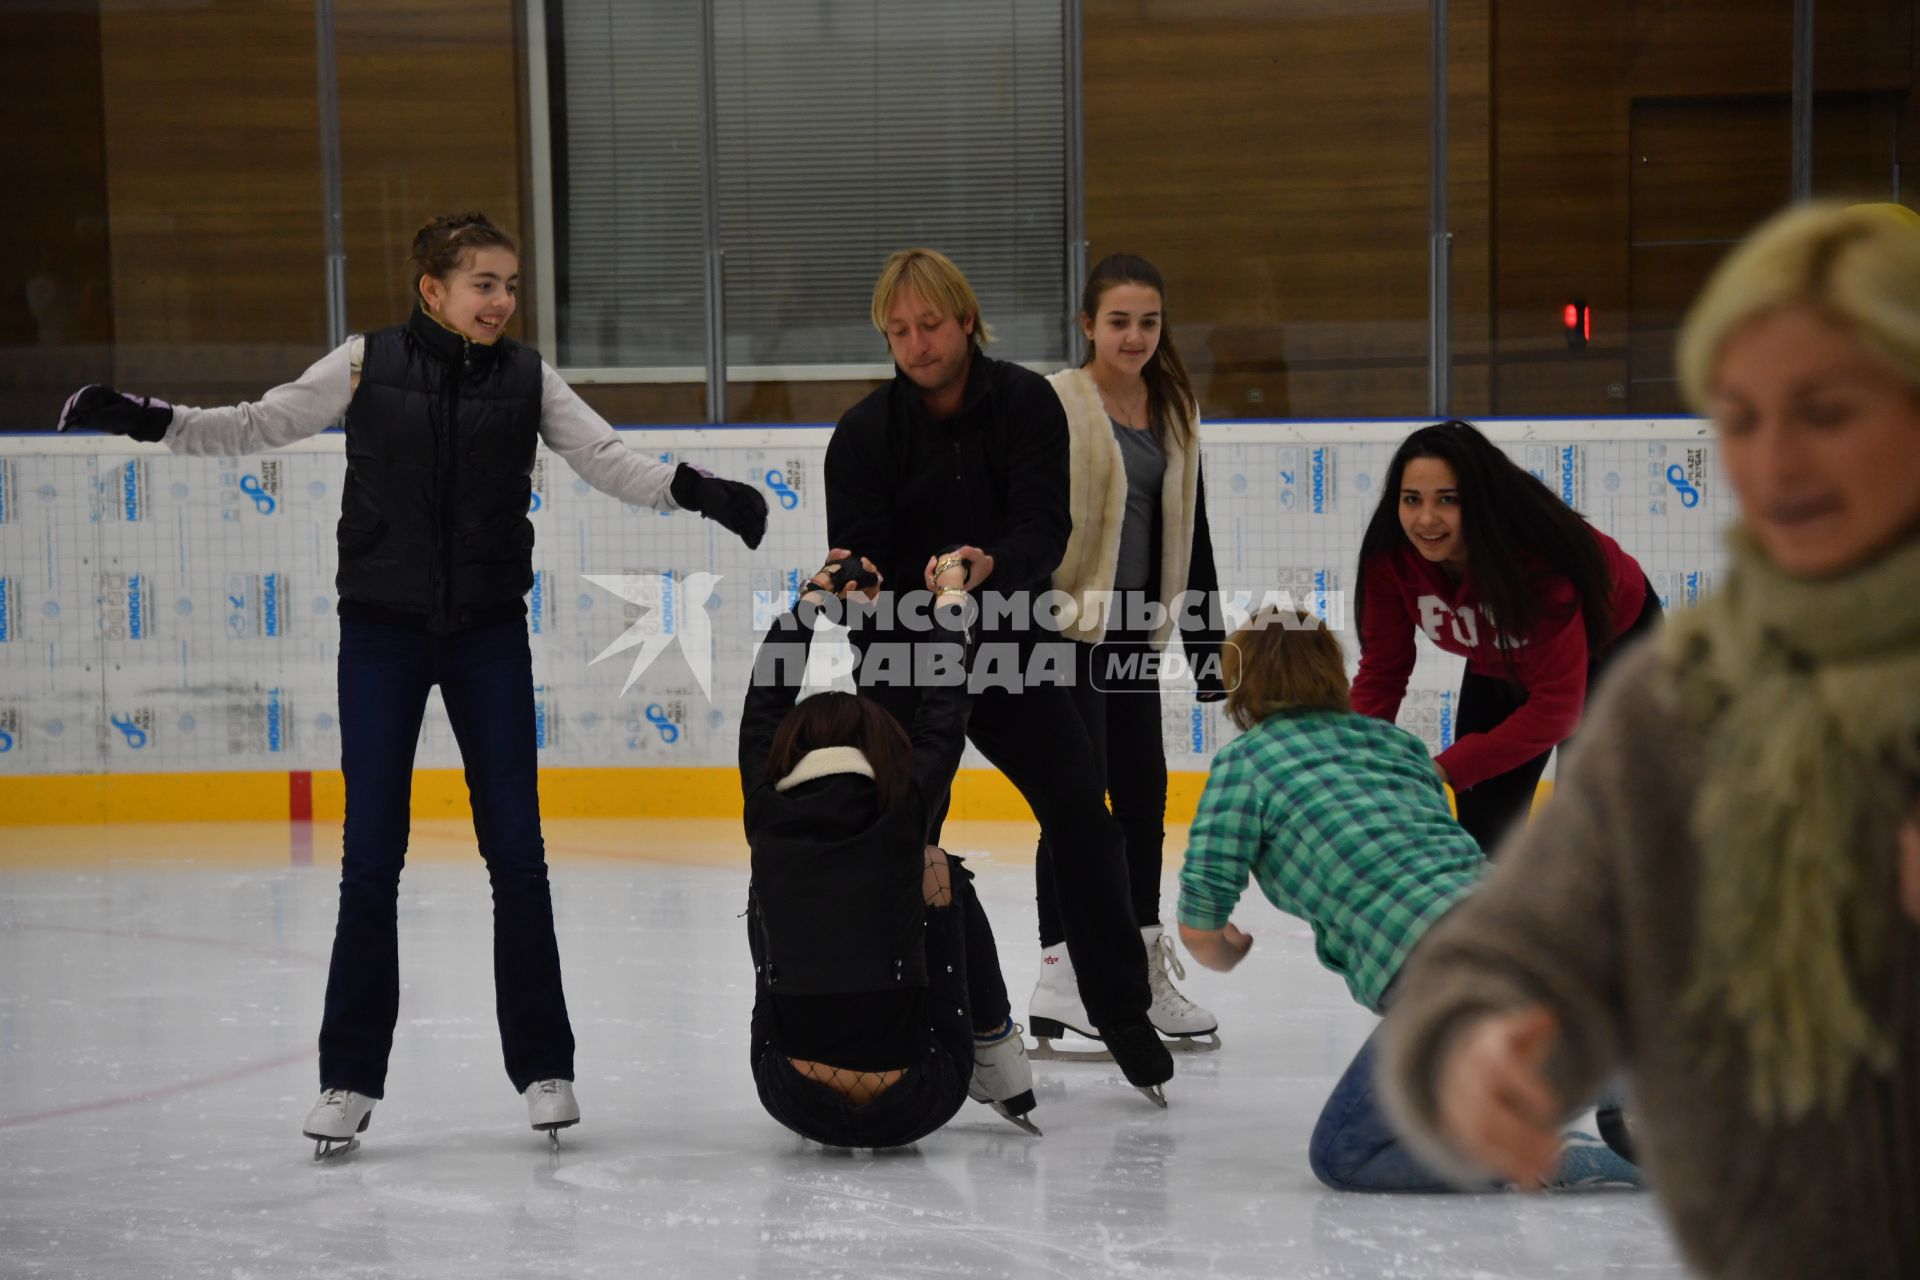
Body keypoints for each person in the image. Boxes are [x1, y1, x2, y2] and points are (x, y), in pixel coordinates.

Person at [56, 211, 769, 1158]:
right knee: (370, 859)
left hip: (486, 637)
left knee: (518, 856)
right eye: (484, 283)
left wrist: (699, 489)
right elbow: (261, 423)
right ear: (432, 290)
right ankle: (348, 1080)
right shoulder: (363, 364)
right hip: (383, 638)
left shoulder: (527, 378)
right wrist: (151, 420)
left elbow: (605, 457)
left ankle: (546, 1068)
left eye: (510, 284)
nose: (502, 300)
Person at [1377, 201, 1920, 1278]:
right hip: (1781, 1236)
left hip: (1588, 650)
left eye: (1826, 409)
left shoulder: (1557, 580)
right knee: (1492, 842)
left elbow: (1556, 710)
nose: (1776, 458)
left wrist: (1440, 760)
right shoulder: (1683, 698)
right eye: (1744, 417)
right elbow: (1534, 923)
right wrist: (1476, 1037)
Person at [823, 247, 1174, 1103]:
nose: (915, 343)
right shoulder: (864, 434)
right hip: (908, 659)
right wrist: (861, 582)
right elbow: (861, 556)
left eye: (929, 324)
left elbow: (1044, 527)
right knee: (900, 839)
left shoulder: (1024, 404)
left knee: (1085, 825)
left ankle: (1121, 1011)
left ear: (966, 318)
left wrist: (990, 567)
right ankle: (901, 1021)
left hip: (1017, 644)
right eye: (898, 331)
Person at [1177, 608, 1639, 1191]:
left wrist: (1227, 947)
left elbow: (1200, 925)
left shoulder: (1244, 765)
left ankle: (1543, 1150)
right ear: (1331, 672)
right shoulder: (1394, 743)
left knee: (1346, 1156)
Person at [739, 550, 1039, 1146]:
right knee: (938, 867)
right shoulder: (905, 809)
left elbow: (765, 699)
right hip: (919, 1098)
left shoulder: (765, 806)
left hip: (789, 1094)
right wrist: (950, 602)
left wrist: (817, 596)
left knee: (768, 884)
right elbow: (944, 705)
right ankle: (994, 1048)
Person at [1029, 253, 1226, 1054]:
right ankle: (1062, 971)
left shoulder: (1174, 408)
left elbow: (1194, 532)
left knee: (1143, 800)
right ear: (1087, 325)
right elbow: (1028, 518)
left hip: (1135, 634)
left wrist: (1207, 651)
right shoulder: (1056, 402)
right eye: (1119, 321)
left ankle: (1139, 965)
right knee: (1077, 803)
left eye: (1149, 321)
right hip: (1064, 632)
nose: (1135, 336)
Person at [1350, 419, 1661, 853]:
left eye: (1448, 500)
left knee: (1591, 822)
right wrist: (1348, 754)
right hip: (1501, 657)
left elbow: (1557, 709)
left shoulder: (1538, 559)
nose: (1426, 519)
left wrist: (1440, 768)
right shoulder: (1391, 559)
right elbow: (1383, 673)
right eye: (1411, 500)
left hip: (1615, 646)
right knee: (1481, 830)